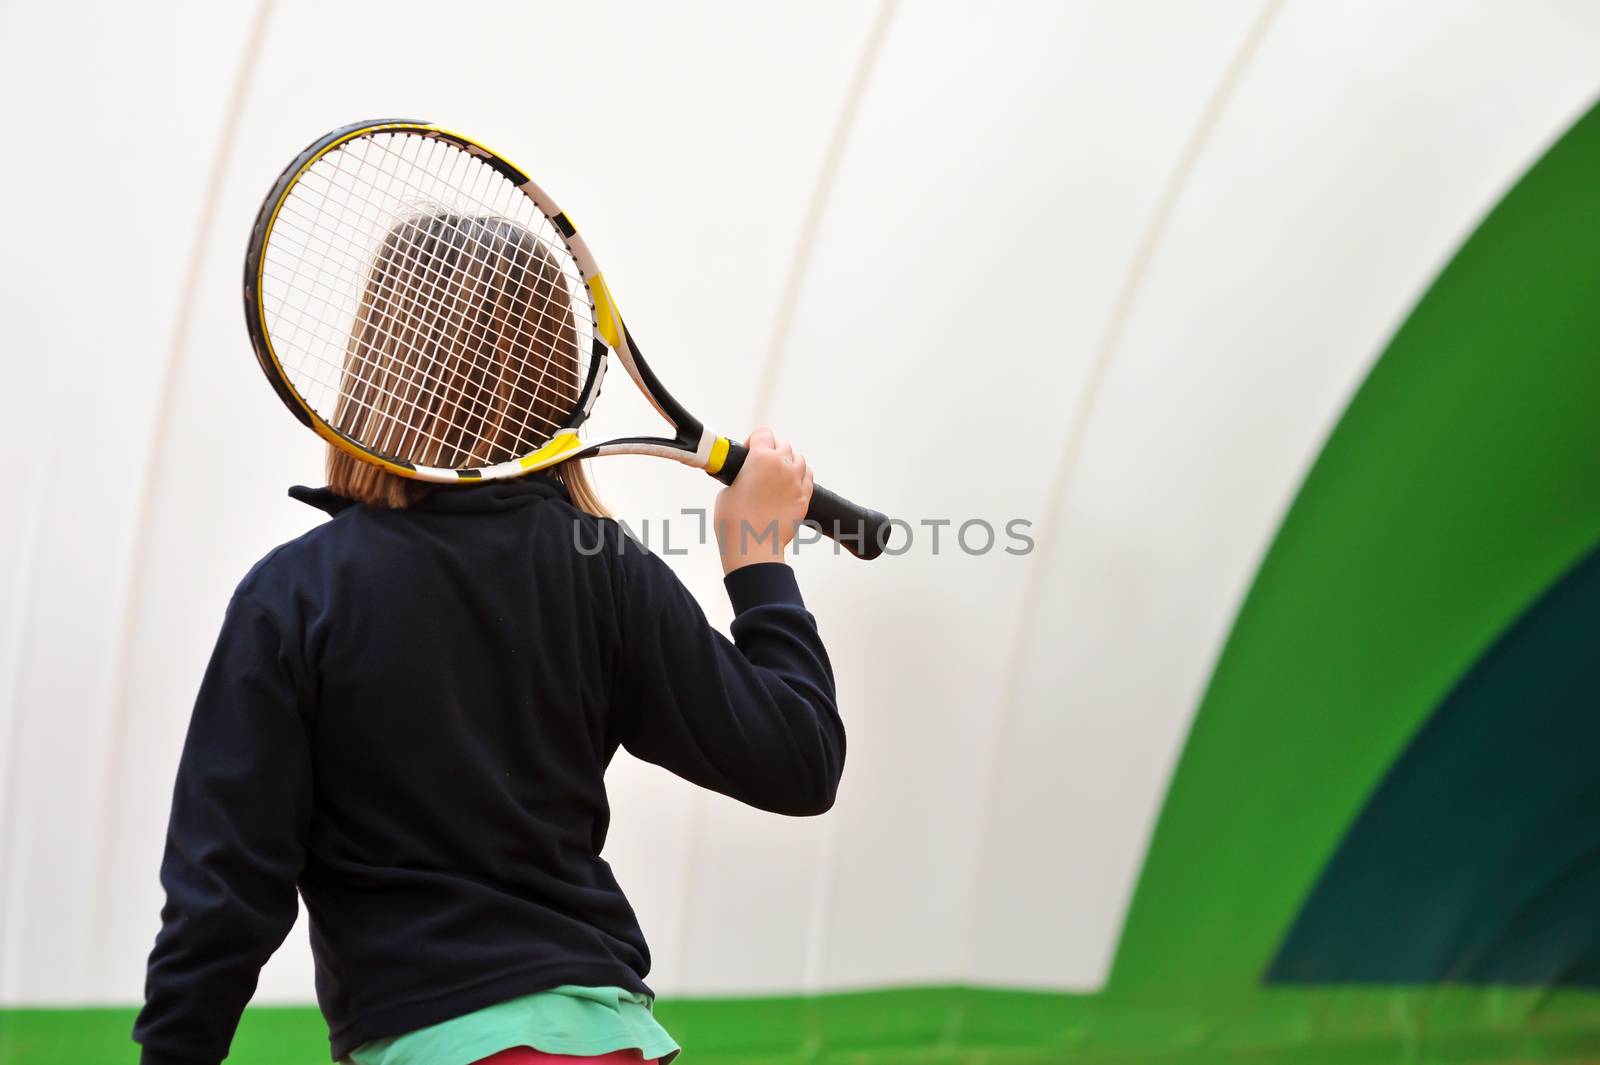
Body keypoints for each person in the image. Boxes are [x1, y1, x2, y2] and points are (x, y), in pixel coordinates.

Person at [132, 211, 844, 1065]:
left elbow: (223, 897)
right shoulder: (603, 571)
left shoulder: (293, 597)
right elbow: (800, 760)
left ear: (377, 367)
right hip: (616, 1044)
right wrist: (759, 557)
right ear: (558, 377)